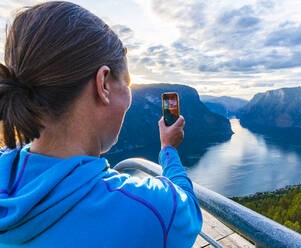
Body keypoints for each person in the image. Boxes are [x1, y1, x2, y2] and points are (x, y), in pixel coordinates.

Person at [0, 1, 202, 247]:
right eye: (126, 83)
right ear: (103, 84)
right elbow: (188, 208)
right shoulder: (150, 209)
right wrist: (168, 149)